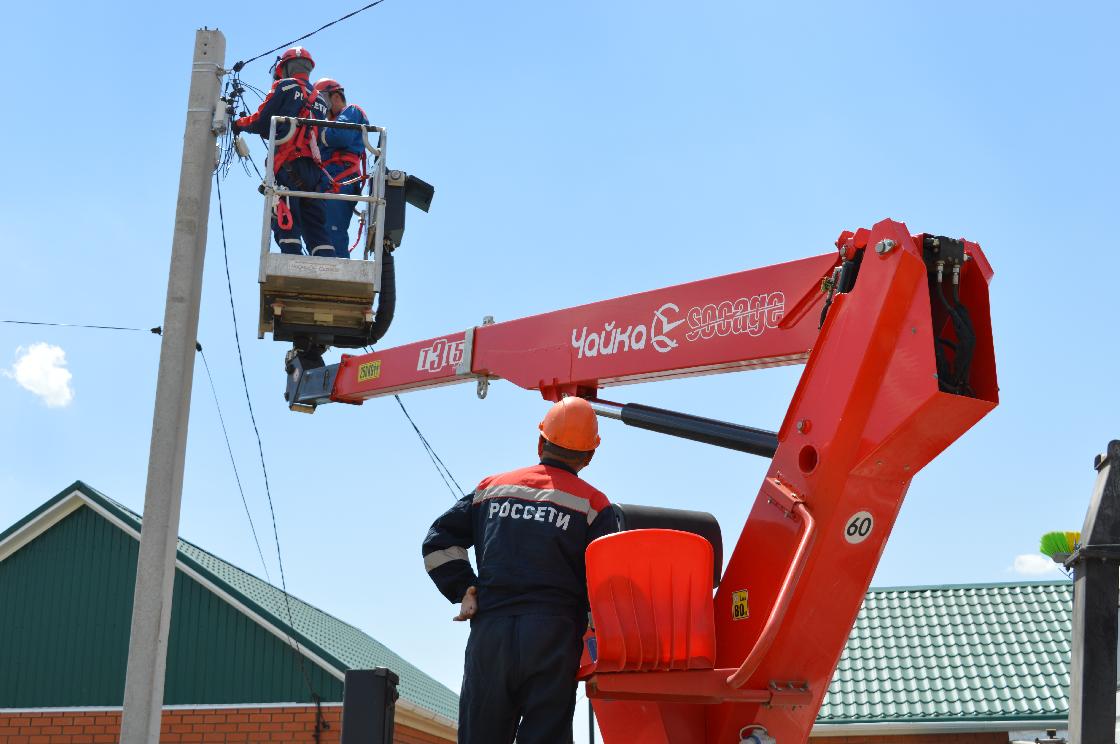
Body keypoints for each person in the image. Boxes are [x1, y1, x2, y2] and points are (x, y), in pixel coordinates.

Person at [422, 397, 615, 744]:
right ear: (589, 456)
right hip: (553, 639)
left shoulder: (490, 490)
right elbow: (605, 582)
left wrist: (464, 588)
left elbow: (437, 543)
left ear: (541, 442)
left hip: (491, 634)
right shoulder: (594, 505)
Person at [233, 47, 338, 258]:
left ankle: (293, 263)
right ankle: (326, 262)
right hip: (314, 173)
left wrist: (239, 124)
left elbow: (262, 121)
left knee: (285, 218)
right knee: (315, 225)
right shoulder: (320, 100)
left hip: (288, 165)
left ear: (286, 67)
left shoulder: (284, 86)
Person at [314, 78, 371, 259]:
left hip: (342, 178)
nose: (320, 107)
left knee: (333, 227)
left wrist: (315, 130)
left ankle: (338, 267)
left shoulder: (352, 112)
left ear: (336, 97)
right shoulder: (328, 124)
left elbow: (339, 137)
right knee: (320, 227)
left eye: (322, 101)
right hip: (328, 179)